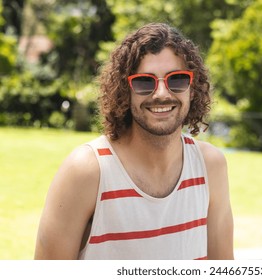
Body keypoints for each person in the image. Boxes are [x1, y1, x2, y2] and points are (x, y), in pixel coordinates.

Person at [34, 23, 234, 260]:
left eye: (177, 79)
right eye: (144, 82)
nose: (161, 93)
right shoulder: (86, 171)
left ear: (192, 88)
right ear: (124, 90)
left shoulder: (210, 167)